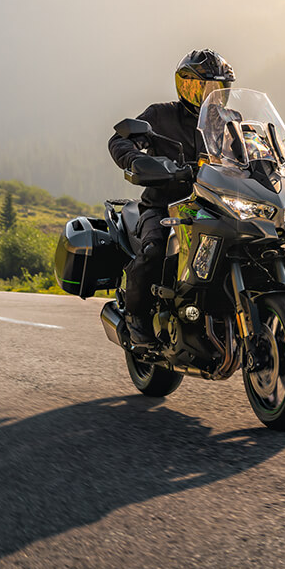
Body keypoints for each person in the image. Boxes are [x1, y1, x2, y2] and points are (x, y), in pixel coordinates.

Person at [108, 49, 236, 346]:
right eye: (202, 87)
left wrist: (276, 165)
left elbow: (252, 152)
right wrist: (138, 161)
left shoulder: (231, 122)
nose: (210, 95)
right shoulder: (160, 115)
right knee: (155, 250)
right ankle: (136, 316)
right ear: (184, 87)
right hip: (164, 206)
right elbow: (121, 140)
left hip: (216, 206)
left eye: (217, 88)